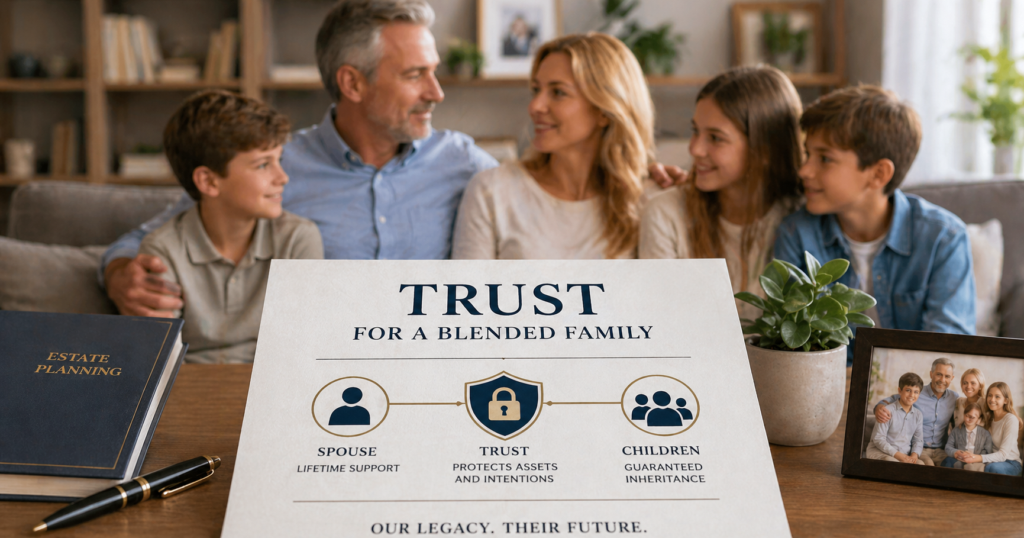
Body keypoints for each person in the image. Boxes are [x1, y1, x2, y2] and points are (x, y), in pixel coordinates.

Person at [100, 0, 498, 317]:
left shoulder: (462, 162)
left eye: (434, 72)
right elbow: (144, 240)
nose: (436, 92)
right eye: (415, 75)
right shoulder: (272, 168)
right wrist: (120, 276)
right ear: (352, 83)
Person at [774, 85, 975, 359]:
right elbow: (793, 352)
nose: (804, 170)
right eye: (807, 154)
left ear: (878, 173)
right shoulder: (796, 233)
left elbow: (947, 355)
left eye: (824, 158)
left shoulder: (944, 238)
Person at [138, 90, 323, 364]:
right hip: (190, 389)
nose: (282, 177)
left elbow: (303, 350)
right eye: (263, 165)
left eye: (279, 160)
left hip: (274, 386)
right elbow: (162, 361)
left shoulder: (298, 239)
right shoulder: (162, 250)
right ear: (209, 182)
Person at [452, 33, 653, 259]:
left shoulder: (647, 201)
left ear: (604, 111)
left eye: (558, 92)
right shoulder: (491, 192)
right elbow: (468, 293)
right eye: (536, 90)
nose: (535, 106)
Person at [638, 66, 803, 320]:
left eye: (715, 138)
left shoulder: (801, 217)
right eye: (695, 131)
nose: (695, 149)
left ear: (766, 149)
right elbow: (662, 325)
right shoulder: (664, 214)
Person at [874, 358, 960, 466]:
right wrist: (879, 407)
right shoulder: (916, 392)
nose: (942, 379)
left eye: (947, 376)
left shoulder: (954, 398)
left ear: (952, 378)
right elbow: (894, 399)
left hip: (941, 449)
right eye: (939, 374)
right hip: (919, 448)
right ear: (931, 374)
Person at [961, 383, 1022, 476]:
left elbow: (1003, 455)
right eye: (990, 395)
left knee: (992, 468)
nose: (992, 399)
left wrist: (976, 458)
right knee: (959, 463)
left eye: (997, 396)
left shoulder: (1010, 419)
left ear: (1005, 400)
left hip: (1011, 463)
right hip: (992, 461)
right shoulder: (989, 417)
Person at [865, 372, 924, 465]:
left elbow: (918, 440)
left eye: (916, 392)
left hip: (904, 454)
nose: (912, 395)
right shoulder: (887, 411)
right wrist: (899, 456)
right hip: (880, 452)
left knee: (921, 465)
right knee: (894, 464)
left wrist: (914, 455)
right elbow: (878, 439)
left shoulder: (918, 415)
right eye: (908, 390)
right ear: (899, 391)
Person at [941, 402, 993, 471]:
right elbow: (948, 447)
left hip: (976, 461)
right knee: (949, 462)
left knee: (972, 468)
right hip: (959, 459)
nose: (969, 419)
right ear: (964, 415)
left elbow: (989, 452)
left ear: (978, 419)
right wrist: (957, 452)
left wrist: (975, 457)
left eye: (973, 417)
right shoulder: (956, 431)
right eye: (967, 416)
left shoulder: (985, 434)